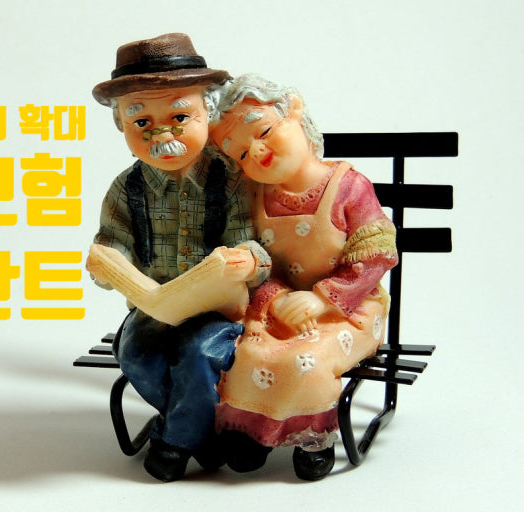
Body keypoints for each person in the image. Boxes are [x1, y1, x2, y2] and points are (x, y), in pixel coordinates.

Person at [87, 34, 269, 482]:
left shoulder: (231, 179)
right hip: (154, 307)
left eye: (179, 116)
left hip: (216, 311)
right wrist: (106, 266)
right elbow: (115, 242)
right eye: (141, 122)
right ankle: (209, 436)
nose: (162, 134)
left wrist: (248, 261)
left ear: (209, 112)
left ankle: (176, 440)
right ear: (121, 126)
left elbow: (253, 240)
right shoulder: (126, 189)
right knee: (136, 355)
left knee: (198, 352)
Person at [210, 74, 398, 481]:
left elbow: (377, 254)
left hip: (347, 308)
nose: (256, 152)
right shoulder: (253, 197)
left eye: (263, 132)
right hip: (277, 308)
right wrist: (275, 298)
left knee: (306, 359)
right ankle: (250, 433)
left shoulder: (349, 186)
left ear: (294, 110)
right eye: (240, 153)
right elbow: (253, 259)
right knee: (246, 353)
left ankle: (313, 439)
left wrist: (322, 298)